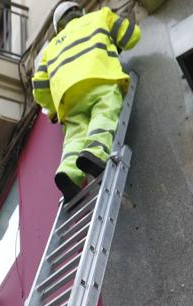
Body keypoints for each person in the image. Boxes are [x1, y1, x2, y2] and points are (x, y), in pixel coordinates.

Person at [32, 1, 140, 202]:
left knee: (75, 137)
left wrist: (53, 110)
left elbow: (39, 88)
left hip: (68, 98)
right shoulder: (100, 16)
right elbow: (131, 36)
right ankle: (94, 153)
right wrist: (117, 45)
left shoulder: (50, 48)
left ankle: (69, 173)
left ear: (58, 26)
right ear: (79, 12)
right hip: (100, 78)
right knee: (104, 113)